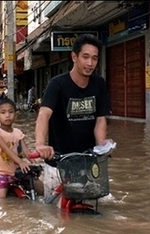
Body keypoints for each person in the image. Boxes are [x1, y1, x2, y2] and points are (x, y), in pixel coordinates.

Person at [34, 34, 114, 206]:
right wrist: (40, 144)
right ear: (74, 56)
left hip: (88, 162)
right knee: (54, 218)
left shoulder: (99, 84)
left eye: (94, 58)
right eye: (85, 57)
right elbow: (44, 115)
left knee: (92, 212)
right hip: (58, 164)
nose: (90, 63)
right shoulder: (57, 84)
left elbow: (101, 119)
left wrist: (102, 143)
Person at [0, 97, 44, 198]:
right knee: (1, 198)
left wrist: (34, 163)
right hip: (3, 172)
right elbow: (6, 150)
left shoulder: (18, 133)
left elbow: (26, 151)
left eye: (11, 112)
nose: (7, 115)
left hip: (19, 171)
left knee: (41, 189)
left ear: (16, 115)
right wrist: (20, 162)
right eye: (3, 112)